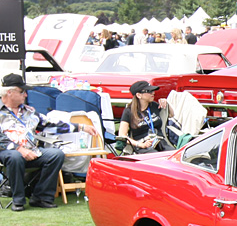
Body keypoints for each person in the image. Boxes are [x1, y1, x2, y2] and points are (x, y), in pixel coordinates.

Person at [1, 73, 98, 211]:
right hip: (8, 153)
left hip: (32, 151)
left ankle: (41, 197)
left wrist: (80, 127)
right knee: (15, 157)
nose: (26, 95)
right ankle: (18, 200)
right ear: (9, 92)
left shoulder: (29, 111)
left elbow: (51, 124)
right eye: (22, 92)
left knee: (56, 154)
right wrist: (19, 149)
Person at [119, 81, 174, 153]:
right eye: (149, 91)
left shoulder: (154, 106)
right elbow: (122, 136)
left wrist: (167, 104)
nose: (153, 93)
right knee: (154, 156)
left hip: (159, 141)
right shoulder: (129, 111)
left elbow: (171, 115)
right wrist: (140, 145)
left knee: (174, 156)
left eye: (153, 91)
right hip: (143, 145)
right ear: (139, 95)